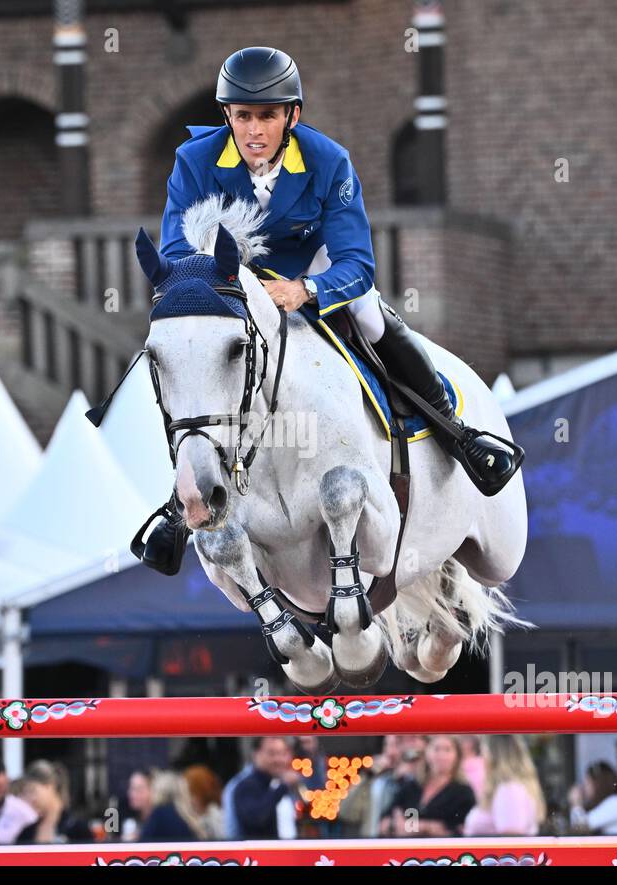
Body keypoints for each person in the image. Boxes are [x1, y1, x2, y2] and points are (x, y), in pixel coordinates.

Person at [133, 46, 523, 573]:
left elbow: (357, 262)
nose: (253, 131)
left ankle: (456, 431)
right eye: (242, 116)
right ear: (227, 115)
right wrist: (226, 291)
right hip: (232, 285)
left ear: (291, 116)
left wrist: (306, 291)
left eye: (267, 116)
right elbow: (179, 253)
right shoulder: (194, 160)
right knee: (191, 358)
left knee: (368, 314)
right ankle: (178, 501)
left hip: (312, 271)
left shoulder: (328, 160)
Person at [384, 735, 475, 837]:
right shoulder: (412, 786)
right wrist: (395, 825)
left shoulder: (463, 792)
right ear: (427, 752)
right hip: (406, 848)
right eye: (436, 749)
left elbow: (463, 830)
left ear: (457, 756)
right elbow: (384, 822)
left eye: (447, 750)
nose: (441, 755)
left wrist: (419, 827)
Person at [463, 735, 545, 837]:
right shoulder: (506, 788)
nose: (483, 757)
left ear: (494, 754)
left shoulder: (510, 790)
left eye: (484, 751)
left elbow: (511, 841)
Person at [229, 737, 301, 839]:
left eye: (283, 753)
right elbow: (256, 819)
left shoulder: (287, 783)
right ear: (256, 754)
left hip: (292, 851)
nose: (278, 759)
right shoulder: (245, 786)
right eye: (272, 753)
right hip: (260, 853)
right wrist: (281, 788)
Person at [14, 760, 92, 845]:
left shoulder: (77, 828)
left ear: (49, 786)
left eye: (33, 791)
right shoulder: (27, 831)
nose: (30, 798)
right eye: (26, 793)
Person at [568, 762, 617, 836]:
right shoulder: (614, 802)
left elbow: (579, 828)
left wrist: (576, 804)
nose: (584, 788)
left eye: (588, 783)